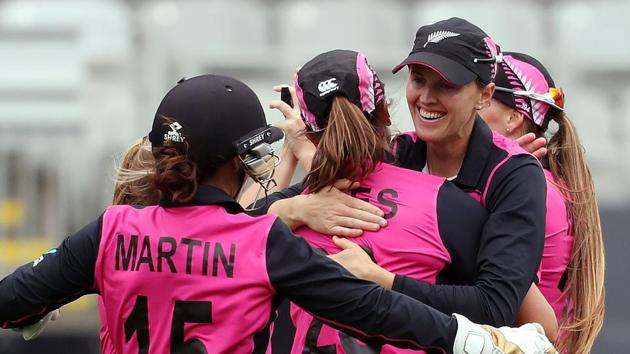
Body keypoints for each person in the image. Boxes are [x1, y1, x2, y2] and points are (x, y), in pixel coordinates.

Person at [0, 74, 557, 354]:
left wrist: (39, 302)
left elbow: (11, 302)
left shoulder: (111, 229)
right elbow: (380, 313)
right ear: (242, 156)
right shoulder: (260, 241)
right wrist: (484, 343)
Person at [477, 52, 605, 354]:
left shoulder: (530, 190)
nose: (466, 104)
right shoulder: (540, 181)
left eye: (483, 96)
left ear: (513, 118)